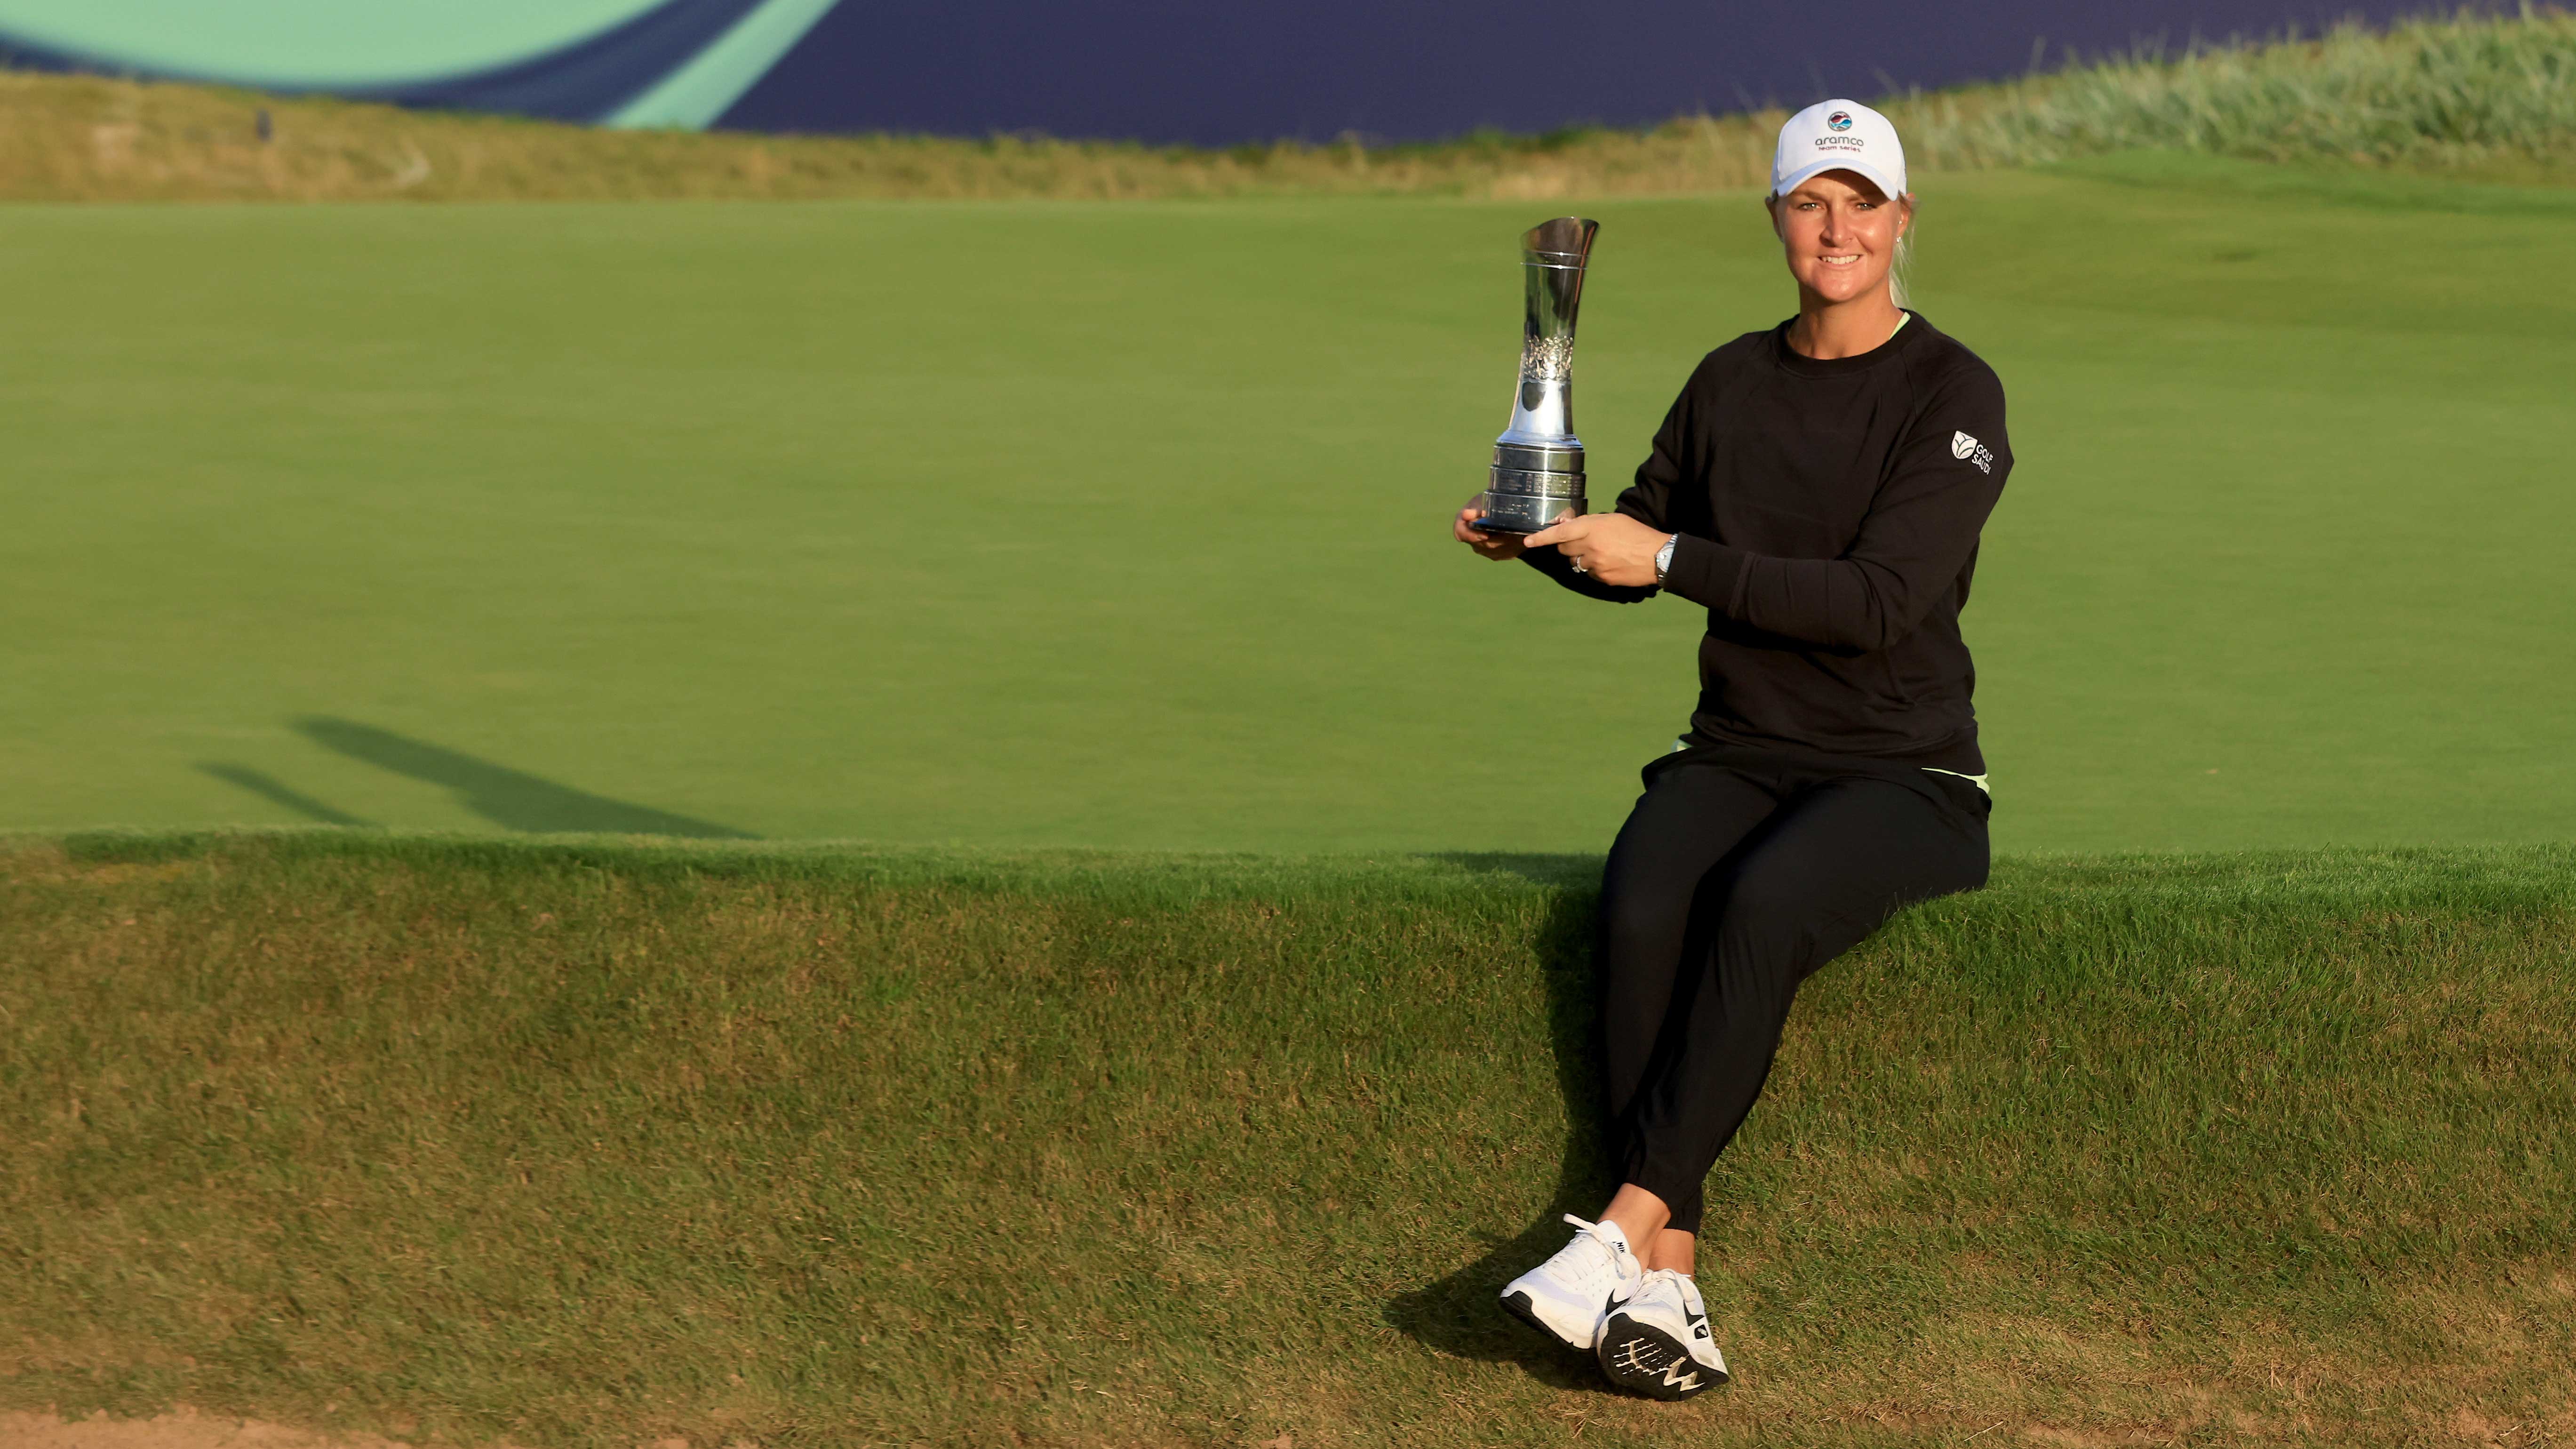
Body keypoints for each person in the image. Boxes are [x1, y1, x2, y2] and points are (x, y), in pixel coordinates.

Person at [1457, 99, 2012, 1401]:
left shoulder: (1952, 392)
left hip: (1905, 774)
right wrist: (1543, 536)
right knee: (1646, 894)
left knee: (1761, 900)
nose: (1835, 229)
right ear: (1776, 220)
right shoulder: (1730, 378)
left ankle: (1611, 1236)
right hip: (1740, 749)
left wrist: (1667, 555)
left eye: (1859, 203)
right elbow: (1641, 547)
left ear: (1901, 220)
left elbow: (1878, 602)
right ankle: (1670, 1284)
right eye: (1809, 203)